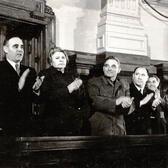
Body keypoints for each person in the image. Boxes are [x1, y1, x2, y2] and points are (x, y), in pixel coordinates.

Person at [33, 47, 89, 136]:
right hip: (52, 123)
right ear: (51, 62)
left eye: (63, 58)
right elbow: (47, 97)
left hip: (73, 123)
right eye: (57, 58)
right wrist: (68, 89)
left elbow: (81, 100)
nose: (61, 60)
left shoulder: (72, 75)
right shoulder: (45, 74)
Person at [87, 56, 133, 135]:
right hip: (100, 129)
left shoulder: (124, 84)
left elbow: (131, 105)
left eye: (113, 66)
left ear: (119, 70)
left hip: (119, 129)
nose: (109, 68)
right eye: (106, 66)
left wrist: (128, 105)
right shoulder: (94, 82)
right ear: (103, 68)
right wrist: (117, 101)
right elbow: (95, 102)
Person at [0, 36, 37, 136]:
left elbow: (36, 99)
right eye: (15, 46)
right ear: (6, 49)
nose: (20, 50)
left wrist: (37, 91)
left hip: (27, 127)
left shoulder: (30, 71)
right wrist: (18, 87)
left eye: (22, 47)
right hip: (5, 128)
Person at [125, 67, 161, 135]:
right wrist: (141, 102)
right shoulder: (126, 90)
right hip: (130, 132)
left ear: (147, 78)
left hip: (147, 132)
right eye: (137, 74)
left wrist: (153, 107)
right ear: (133, 76)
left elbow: (157, 116)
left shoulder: (150, 92)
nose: (139, 77)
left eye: (143, 75)